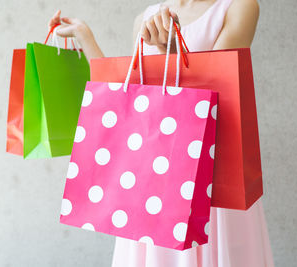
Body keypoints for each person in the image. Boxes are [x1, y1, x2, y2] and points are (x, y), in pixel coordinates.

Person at [49, 1, 274, 266]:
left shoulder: (239, 6)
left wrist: (174, 52)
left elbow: (220, 85)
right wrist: (85, 37)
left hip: (209, 180)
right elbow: (132, 100)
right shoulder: (144, 18)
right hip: (155, 181)